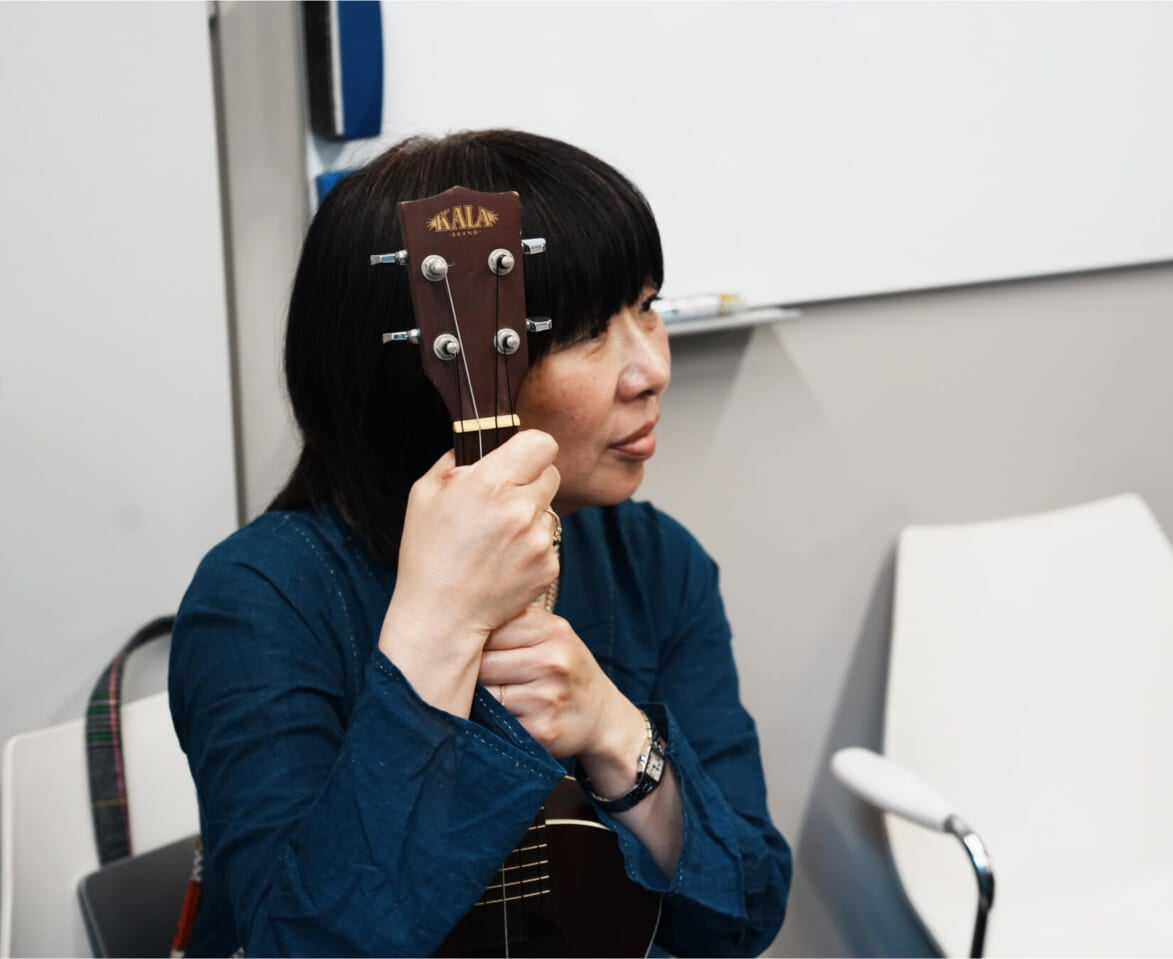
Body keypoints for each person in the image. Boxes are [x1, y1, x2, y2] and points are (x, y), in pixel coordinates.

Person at [169, 129, 792, 957]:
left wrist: (614, 731)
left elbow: (743, 913)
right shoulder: (262, 598)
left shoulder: (656, 563)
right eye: (586, 331)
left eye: (646, 306)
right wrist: (434, 632)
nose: (650, 369)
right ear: (442, 365)